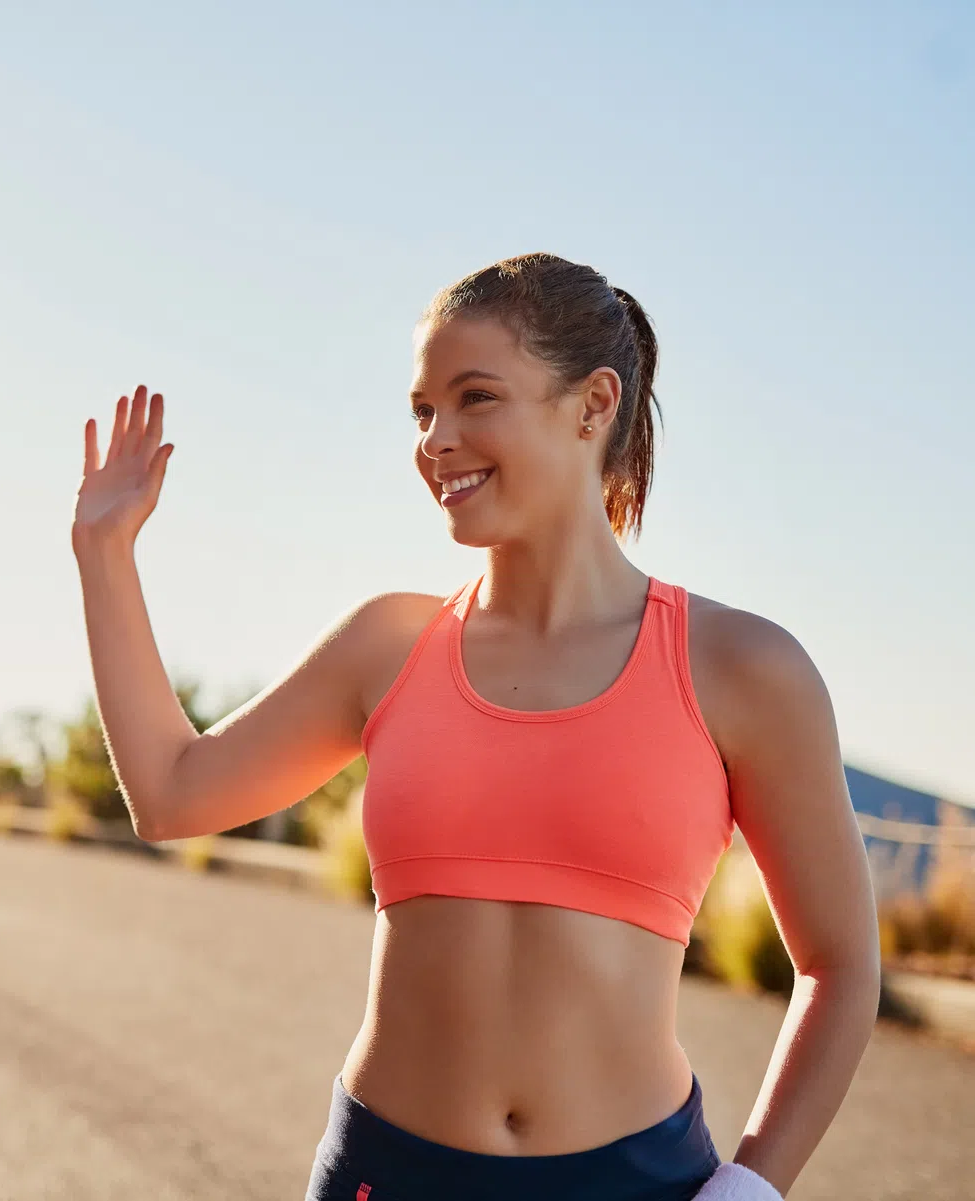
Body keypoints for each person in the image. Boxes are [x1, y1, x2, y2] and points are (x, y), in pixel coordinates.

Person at [71, 254, 879, 1201]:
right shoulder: (389, 646)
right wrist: (103, 552)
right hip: (386, 1176)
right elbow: (171, 793)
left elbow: (839, 964)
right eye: (422, 410)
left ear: (593, 404)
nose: (436, 440)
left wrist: (753, 1187)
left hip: (637, 1184)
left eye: (475, 397)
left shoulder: (743, 668)